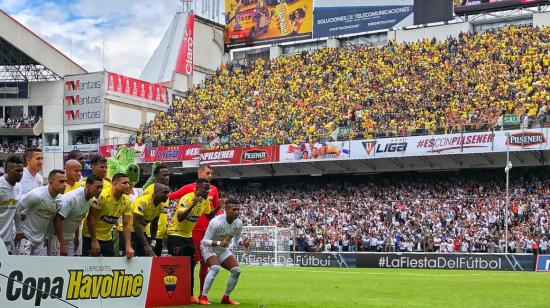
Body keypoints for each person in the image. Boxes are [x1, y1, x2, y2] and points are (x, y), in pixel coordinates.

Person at [169, 164, 222, 298]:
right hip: (187, 232)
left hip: (205, 232)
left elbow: (213, 211)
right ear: (199, 174)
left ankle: (201, 295)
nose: (210, 176)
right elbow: (171, 196)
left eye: (211, 173)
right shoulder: (188, 191)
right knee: (186, 264)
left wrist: (220, 212)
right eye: (207, 173)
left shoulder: (213, 191)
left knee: (203, 263)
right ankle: (177, 293)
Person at [167, 178, 212, 304]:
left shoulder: (205, 201)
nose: (208, 191)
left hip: (187, 236)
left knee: (190, 267)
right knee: (177, 267)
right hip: (175, 234)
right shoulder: (187, 198)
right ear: (197, 188)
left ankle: (190, 295)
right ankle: (173, 294)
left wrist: (219, 206)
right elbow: (180, 218)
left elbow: (208, 215)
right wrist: (193, 204)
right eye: (205, 188)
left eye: (208, 188)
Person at [199, 199, 245, 305]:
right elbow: (205, 241)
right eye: (234, 209)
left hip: (222, 249)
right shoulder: (215, 222)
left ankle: (225, 298)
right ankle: (203, 297)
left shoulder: (239, 223)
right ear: (226, 209)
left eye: (238, 209)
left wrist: (243, 243)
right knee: (215, 268)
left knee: (236, 271)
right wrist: (220, 243)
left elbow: (237, 241)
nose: (237, 212)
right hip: (208, 248)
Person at [82, 173, 134, 258]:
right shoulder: (102, 196)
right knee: (90, 266)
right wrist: (94, 240)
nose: (128, 185)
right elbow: (91, 217)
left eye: (128, 183)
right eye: (124, 183)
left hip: (107, 237)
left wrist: (128, 246)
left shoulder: (127, 201)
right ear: (114, 184)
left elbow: (126, 224)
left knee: (110, 266)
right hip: (90, 235)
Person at [15, 169, 66, 256]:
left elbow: (50, 219)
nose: (64, 185)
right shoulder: (36, 195)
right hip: (25, 237)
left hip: (41, 240)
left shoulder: (60, 200)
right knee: (24, 267)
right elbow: (17, 208)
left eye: (65, 181)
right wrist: (19, 232)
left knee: (40, 268)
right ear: (51, 182)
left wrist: (45, 237)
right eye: (61, 181)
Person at [53, 175, 104, 256]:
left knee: (69, 266)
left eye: (101, 187)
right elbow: (57, 220)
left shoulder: (91, 199)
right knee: (56, 266)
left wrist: (76, 237)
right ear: (87, 186)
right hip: (56, 238)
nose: (100, 190)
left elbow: (77, 217)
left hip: (70, 237)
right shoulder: (72, 198)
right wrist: (62, 243)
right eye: (97, 187)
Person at [132, 183, 170, 256]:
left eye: (168, 193)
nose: (167, 196)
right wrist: (146, 244)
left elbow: (155, 224)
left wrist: (153, 241)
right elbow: (136, 224)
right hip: (131, 231)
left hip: (141, 231)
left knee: (145, 258)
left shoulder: (160, 206)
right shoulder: (143, 202)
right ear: (155, 192)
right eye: (164, 193)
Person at [144, 164, 171, 256]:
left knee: (156, 266)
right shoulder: (150, 190)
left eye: (168, 175)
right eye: (164, 175)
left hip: (159, 235)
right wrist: (151, 239)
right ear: (155, 176)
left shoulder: (166, 191)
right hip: (150, 236)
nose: (167, 178)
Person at [0, 155, 24, 254]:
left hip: (7, 240)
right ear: (8, 170)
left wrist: (19, 231)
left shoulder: (18, 186)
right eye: (17, 171)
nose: (21, 174)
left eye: (22, 171)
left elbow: (16, 210)